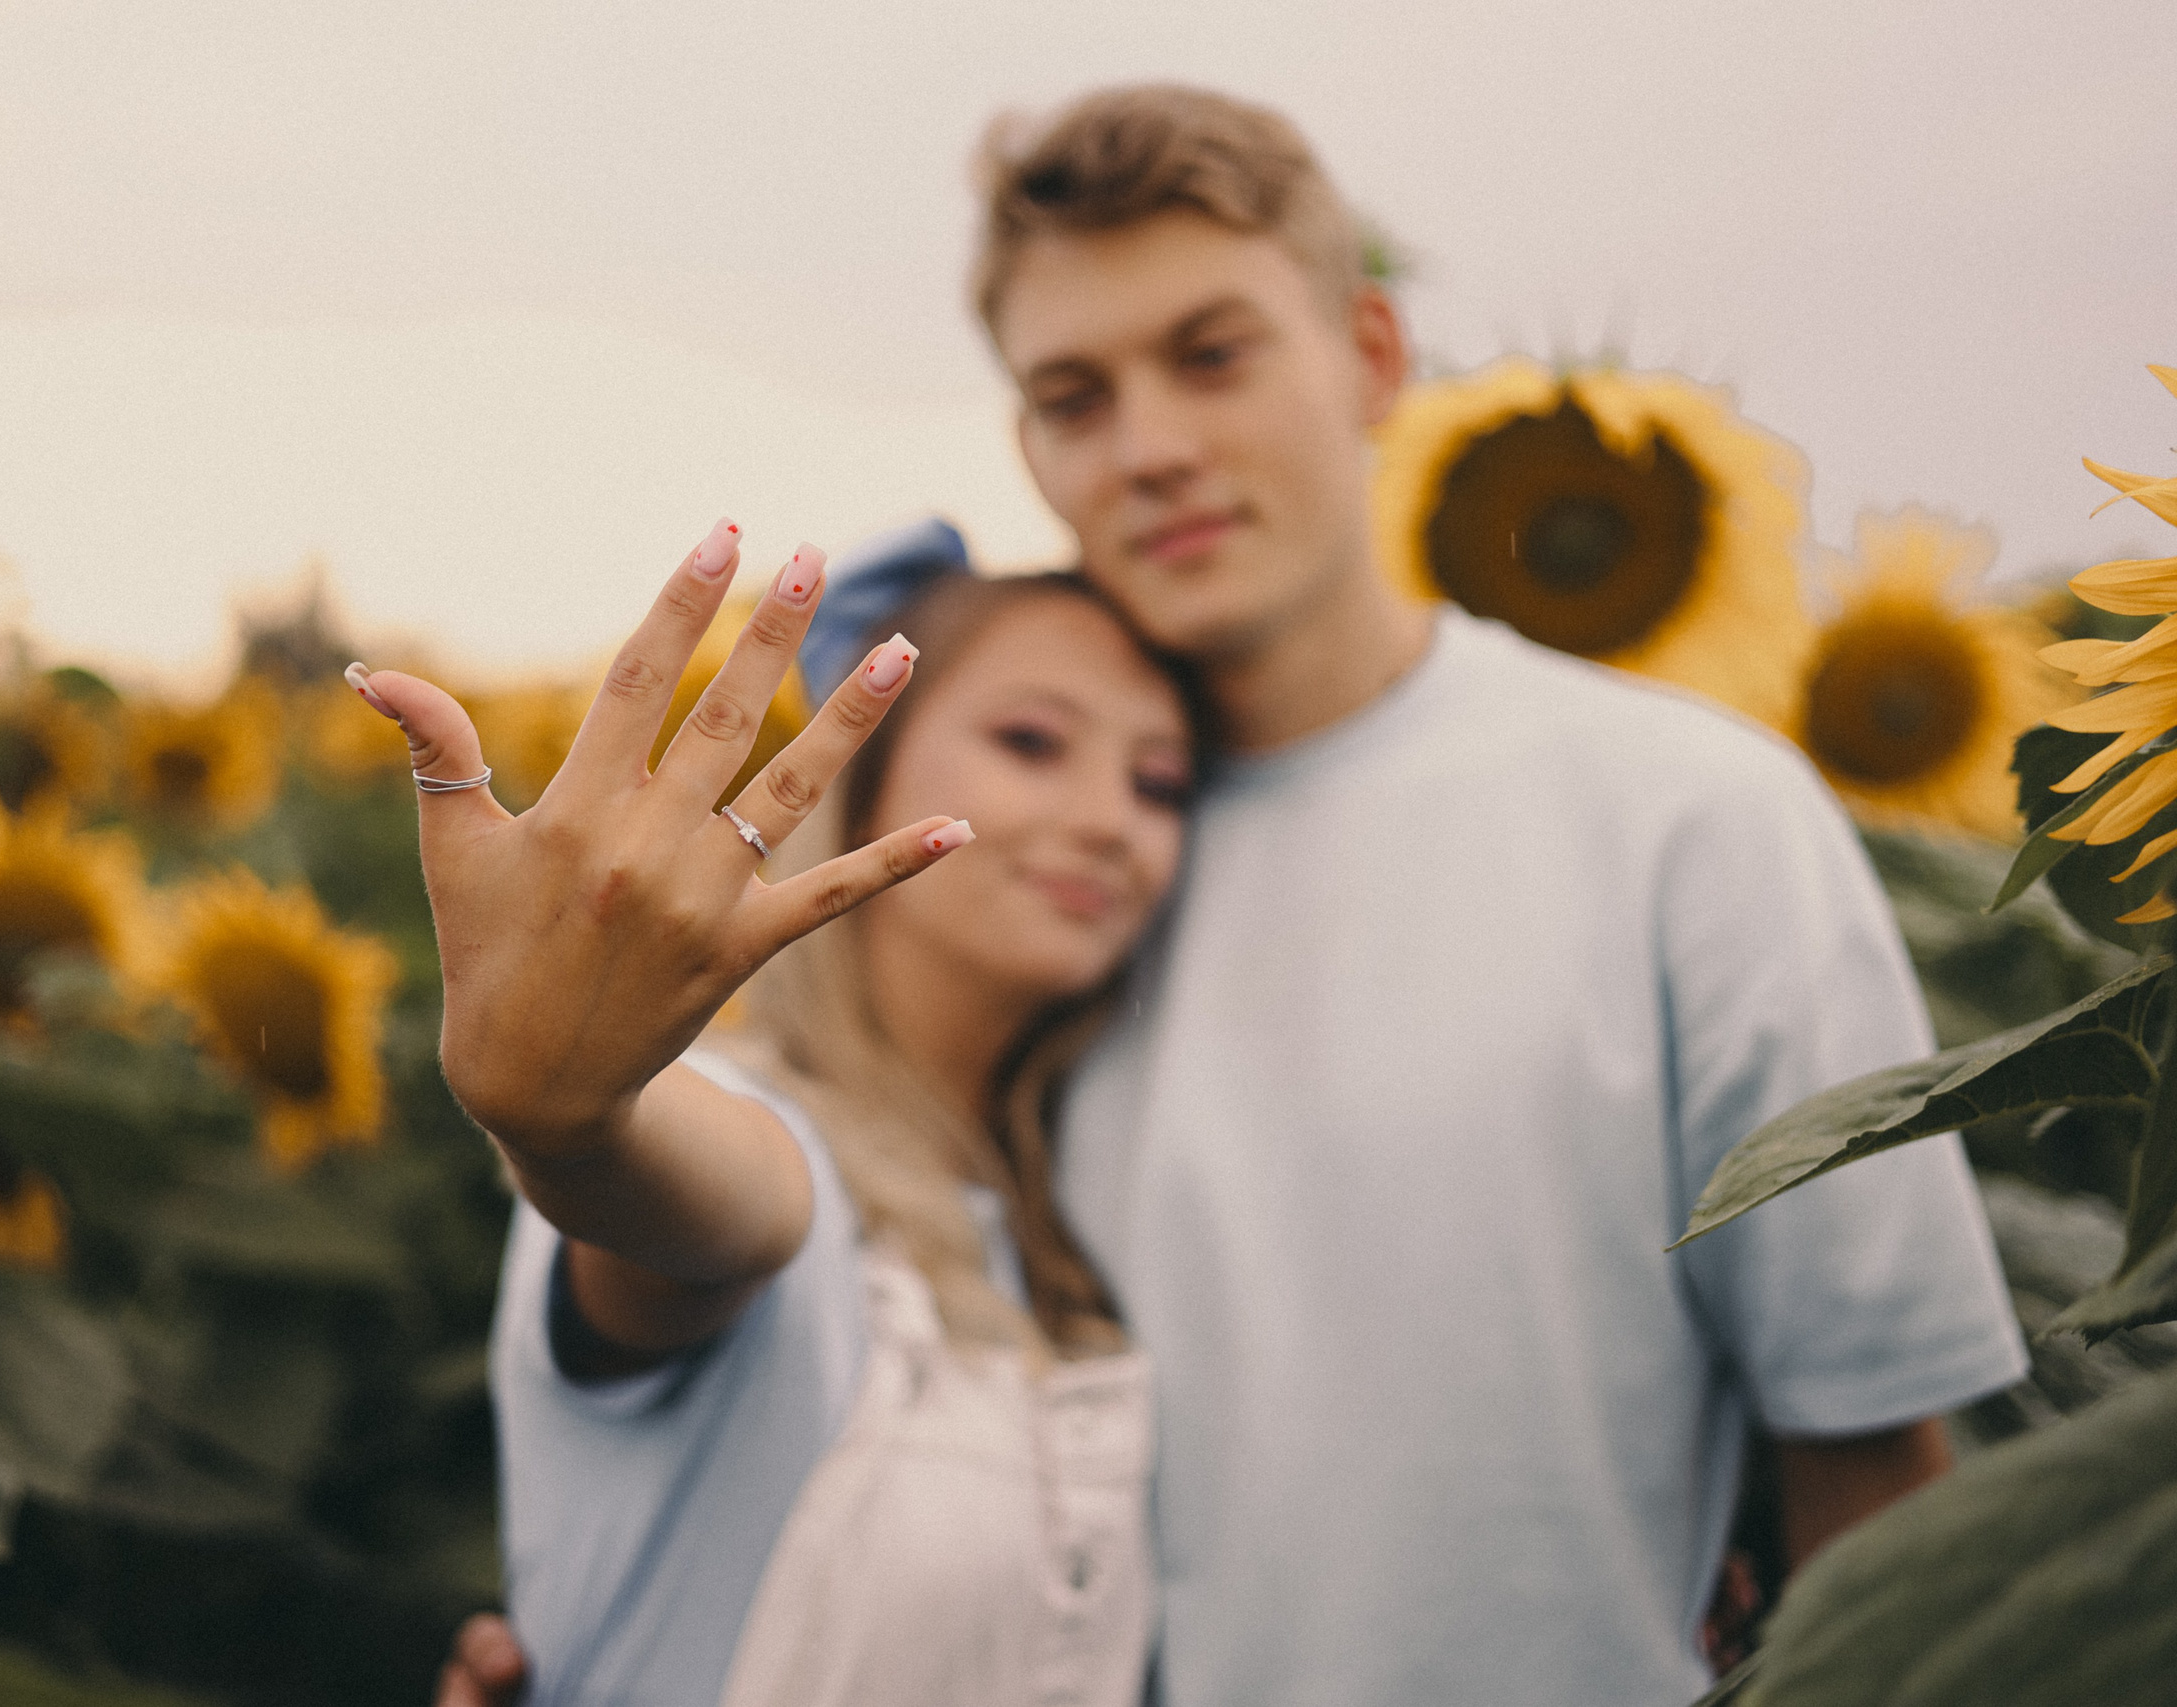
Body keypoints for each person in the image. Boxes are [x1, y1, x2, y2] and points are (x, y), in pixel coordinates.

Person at [438, 85, 2032, 1707]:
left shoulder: (1693, 822)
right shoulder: (1014, 908)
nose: (1151, 446)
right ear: (1032, 447)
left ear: (1372, 358)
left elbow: (1875, 1477)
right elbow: (725, 1220)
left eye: (1212, 354)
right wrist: (568, 1125)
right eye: (1075, 393)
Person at [355, 516, 1212, 1706]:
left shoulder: (1083, 1214)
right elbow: (711, 1210)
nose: (1110, 819)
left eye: (1161, 783)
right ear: (867, 778)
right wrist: (568, 1115)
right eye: (1032, 741)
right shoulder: (762, 1132)